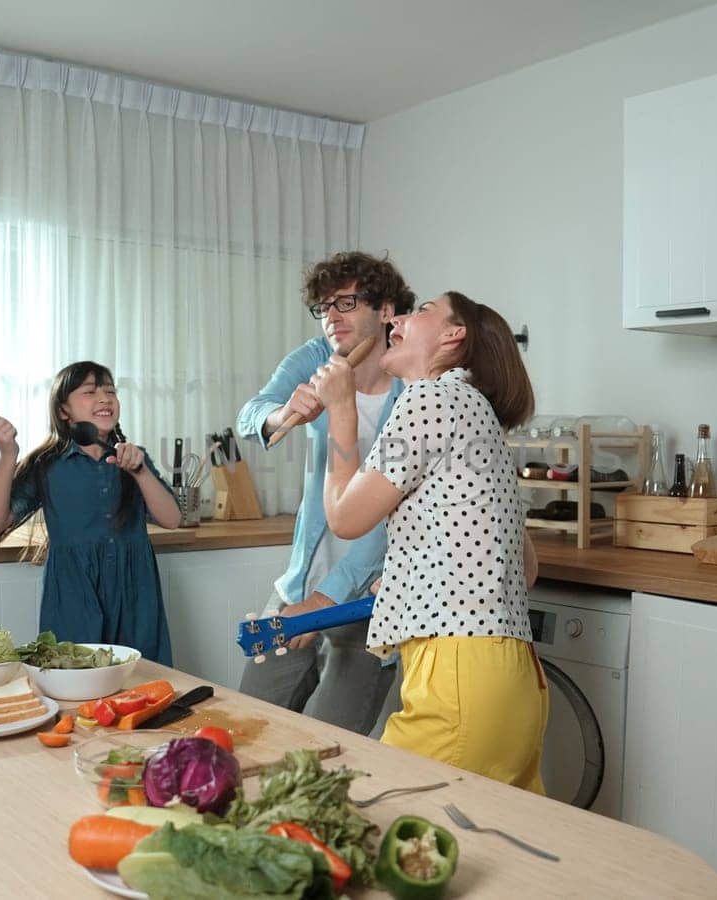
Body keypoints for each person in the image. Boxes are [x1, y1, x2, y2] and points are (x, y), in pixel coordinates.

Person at [310, 291, 546, 791]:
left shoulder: (430, 399)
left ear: (452, 335)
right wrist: (412, 576)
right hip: (514, 676)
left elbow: (345, 517)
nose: (395, 318)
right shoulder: (478, 415)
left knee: (383, 819)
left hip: (458, 675)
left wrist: (341, 409)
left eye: (421, 311)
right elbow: (523, 569)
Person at [233, 251, 416, 734]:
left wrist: (325, 601)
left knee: (331, 743)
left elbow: (389, 517)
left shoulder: (415, 394)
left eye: (347, 303)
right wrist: (279, 413)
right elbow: (251, 415)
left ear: (386, 310)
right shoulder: (316, 358)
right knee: (248, 721)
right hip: (300, 583)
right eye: (324, 307)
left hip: (371, 597)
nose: (332, 317)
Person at [0, 361, 181, 663]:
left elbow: (172, 519)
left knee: (144, 681)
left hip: (135, 592)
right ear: (64, 411)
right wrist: (8, 453)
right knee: (76, 679)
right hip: (74, 594)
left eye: (110, 391)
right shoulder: (47, 464)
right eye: (89, 392)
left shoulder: (132, 457)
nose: (104, 398)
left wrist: (141, 472)